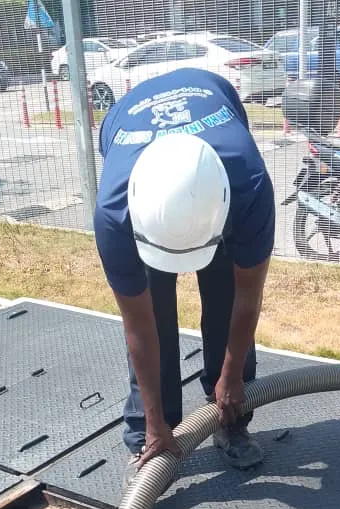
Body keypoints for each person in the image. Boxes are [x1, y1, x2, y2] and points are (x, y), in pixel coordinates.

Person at [94, 67, 275, 484]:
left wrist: (230, 377)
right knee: (154, 314)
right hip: (140, 169)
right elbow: (139, 330)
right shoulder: (115, 213)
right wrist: (157, 421)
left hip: (215, 175)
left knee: (225, 295)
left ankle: (230, 415)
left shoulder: (248, 183)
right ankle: (149, 435)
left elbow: (247, 299)